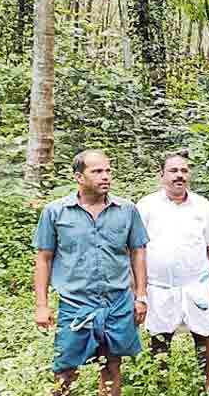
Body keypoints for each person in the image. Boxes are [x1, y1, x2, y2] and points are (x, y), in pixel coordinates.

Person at [33, 149, 149, 396]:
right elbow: (44, 259)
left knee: (112, 364)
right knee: (65, 368)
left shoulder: (126, 210)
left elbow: (137, 252)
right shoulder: (56, 212)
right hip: (76, 303)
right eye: (97, 171)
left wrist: (140, 296)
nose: (105, 176)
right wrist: (41, 305)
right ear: (79, 177)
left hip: (117, 302)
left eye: (108, 170)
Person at [136, 151, 209, 393]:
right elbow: (136, 248)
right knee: (160, 336)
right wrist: (138, 287)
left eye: (184, 171)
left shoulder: (202, 205)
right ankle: (162, 385)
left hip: (196, 282)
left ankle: (205, 385)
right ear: (162, 175)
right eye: (174, 171)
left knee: (204, 333)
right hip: (159, 285)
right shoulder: (146, 206)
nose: (179, 175)